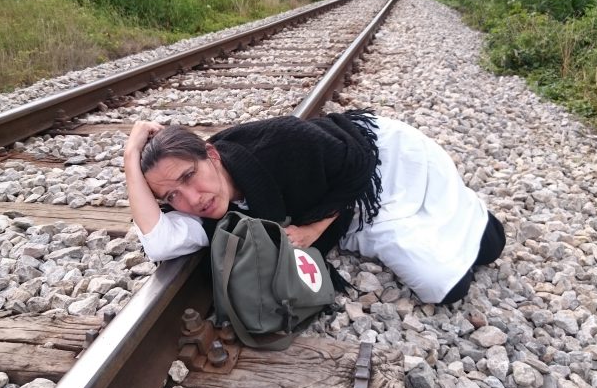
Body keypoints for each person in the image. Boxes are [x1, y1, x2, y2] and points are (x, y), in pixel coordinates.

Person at [124, 109, 506, 304]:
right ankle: (454, 230)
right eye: (171, 197)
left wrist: (314, 229)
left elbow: (357, 162)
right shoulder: (206, 211)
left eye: (190, 176)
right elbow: (159, 243)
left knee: (490, 245)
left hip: (382, 162)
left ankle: (469, 213)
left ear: (211, 155)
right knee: (445, 287)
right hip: (348, 209)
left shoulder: (282, 141)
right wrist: (130, 156)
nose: (192, 199)